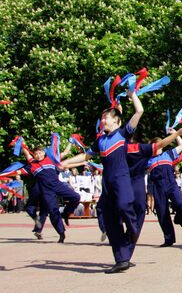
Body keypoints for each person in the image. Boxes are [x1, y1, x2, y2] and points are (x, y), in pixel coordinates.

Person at [61, 89, 143, 274]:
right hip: (107, 184)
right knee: (110, 220)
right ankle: (121, 260)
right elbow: (85, 156)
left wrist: (132, 94)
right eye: (103, 118)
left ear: (116, 120)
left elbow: (139, 111)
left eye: (106, 118)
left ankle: (133, 229)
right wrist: (65, 163)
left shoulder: (123, 133)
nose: (103, 120)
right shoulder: (100, 141)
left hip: (121, 180)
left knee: (124, 206)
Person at [147, 130, 182, 247]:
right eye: (159, 144)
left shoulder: (168, 154)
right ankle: (169, 239)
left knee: (180, 203)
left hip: (171, 183)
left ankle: (180, 219)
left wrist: (176, 133)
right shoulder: (148, 159)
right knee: (162, 212)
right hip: (158, 186)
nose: (162, 145)